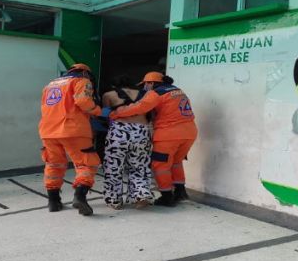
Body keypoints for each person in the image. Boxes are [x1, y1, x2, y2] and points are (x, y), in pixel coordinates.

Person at [110, 72, 197, 207]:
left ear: (150, 83)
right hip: (189, 132)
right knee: (176, 162)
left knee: (160, 166)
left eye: (145, 84)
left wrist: (117, 113)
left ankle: (167, 197)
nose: (144, 88)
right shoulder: (178, 90)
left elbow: (139, 107)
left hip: (168, 135)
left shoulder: (157, 93)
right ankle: (180, 192)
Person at [39, 63, 102, 215]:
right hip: (73, 129)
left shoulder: (49, 86)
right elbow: (83, 102)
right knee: (86, 164)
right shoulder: (82, 81)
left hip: (48, 130)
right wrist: (97, 111)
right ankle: (80, 196)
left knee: (54, 164)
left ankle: (53, 201)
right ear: (85, 73)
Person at [100, 75, 154, 210]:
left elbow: (106, 115)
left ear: (114, 85)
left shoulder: (109, 94)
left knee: (114, 167)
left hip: (119, 132)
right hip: (141, 131)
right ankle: (141, 195)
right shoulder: (145, 94)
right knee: (139, 166)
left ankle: (114, 200)